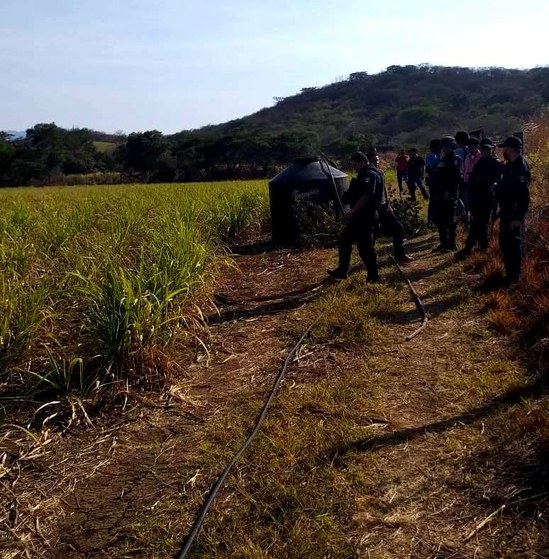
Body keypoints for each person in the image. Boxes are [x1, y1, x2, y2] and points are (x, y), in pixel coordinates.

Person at [328, 151, 383, 282]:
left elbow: (366, 196)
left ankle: (373, 276)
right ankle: (342, 270)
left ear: (363, 162)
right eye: (352, 165)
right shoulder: (362, 175)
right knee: (344, 241)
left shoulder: (370, 175)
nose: (354, 167)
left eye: (355, 164)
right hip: (358, 217)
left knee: (365, 248)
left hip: (366, 216)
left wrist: (352, 211)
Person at [455, 138, 502, 259]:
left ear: (491, 150)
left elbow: (500, 178)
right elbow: (472, 178)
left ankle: (471, 248)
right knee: (477, 222)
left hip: (487, 197)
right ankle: (481, 246)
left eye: (488, 149)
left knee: (481, 223)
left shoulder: (495, 162)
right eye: (484, 149)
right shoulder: (479, 162)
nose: (486, 151)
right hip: (476, 196)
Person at [493, 136, 531, 285]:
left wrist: (518, 217)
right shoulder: (508, 166)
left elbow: (523, 196)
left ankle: (515, 278)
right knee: (505, 244)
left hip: (514, 213)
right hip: (505, 210)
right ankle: (509, 275)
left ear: (513, 149)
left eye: (506, 148)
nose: (504, 151)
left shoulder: (521, 167)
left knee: (513, 246)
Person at [367, 147, 414, 263]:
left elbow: (384, 190)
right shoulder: (367, 175)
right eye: (373, 161)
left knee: (398, 229)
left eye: (377, 160)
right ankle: (369, 261)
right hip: (372, 210)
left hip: (384, 207)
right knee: (370, 236)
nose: (376, 163)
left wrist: (388, 204)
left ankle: (400, 255)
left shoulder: (380, 172)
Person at [429, 136, 462, 252]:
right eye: (443, 147)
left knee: (450, 219)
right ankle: (444, 243)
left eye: (447, 146)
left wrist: (449, 191)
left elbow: (456, 178)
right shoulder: (442, 159)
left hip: (449, 195)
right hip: (439, 193)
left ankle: (451, 244)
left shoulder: (455, 160)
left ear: (452, 147)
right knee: (439, 218)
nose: (444, 149)